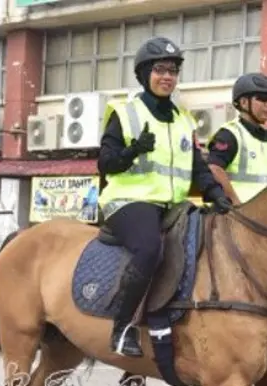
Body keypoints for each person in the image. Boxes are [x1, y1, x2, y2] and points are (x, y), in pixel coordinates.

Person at [97, 36, 232, 357]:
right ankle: (122, 326)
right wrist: (132, 150)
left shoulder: (184, 119)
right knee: (149, 248)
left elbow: (198, 167)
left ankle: (174, 317)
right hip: (128, 201)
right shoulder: (125, 112)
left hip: (171, 206)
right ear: (144, 74)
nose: (167, 76)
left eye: (172, 71)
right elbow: (105, 163)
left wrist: (216, 193)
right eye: (159, 70)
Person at [207, 72, 267, 205]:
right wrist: (235, 201)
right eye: (262, 98)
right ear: (244, 102)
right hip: (239, 217)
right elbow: (214, 168)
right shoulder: (229, 134)